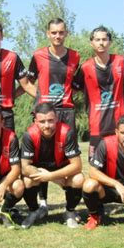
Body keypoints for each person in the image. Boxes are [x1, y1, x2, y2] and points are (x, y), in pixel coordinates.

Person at [27, 17, 81, 211]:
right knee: (41, 156)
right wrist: (41, 98)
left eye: (61, 32)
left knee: (66, 158)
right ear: (48, 34)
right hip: (44, 112)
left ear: (66, 33)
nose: (58, 36)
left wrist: (65, 96)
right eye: (54, 32)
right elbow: (27, 81)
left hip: (66, 111)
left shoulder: (75, 56)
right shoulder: (38, 55)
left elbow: (77, 84)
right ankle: (43, 202)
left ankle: (70, 206)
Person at [74, 26, 124, 159]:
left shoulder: (121, 62)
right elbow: (72, 90)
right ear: (91, 43)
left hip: (122, 123)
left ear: (110, 42)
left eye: (104, 39)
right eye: (97, 39)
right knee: (96, 164)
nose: (101, 43)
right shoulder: (85, 67)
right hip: (97, 125)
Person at [20, 103, 84, 229]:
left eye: (50, 120)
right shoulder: (29, 135)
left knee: (79, 179)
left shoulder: (67, 132)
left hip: (61, 168)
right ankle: (34, 211)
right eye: (42, 121)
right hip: (40, 169)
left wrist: (51, 175)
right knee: (27, 180)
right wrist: (51, 177)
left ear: (56, 119)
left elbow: (77, 166)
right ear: (35, 121)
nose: (47, 125)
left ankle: (69, 212)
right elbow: (24, 167)